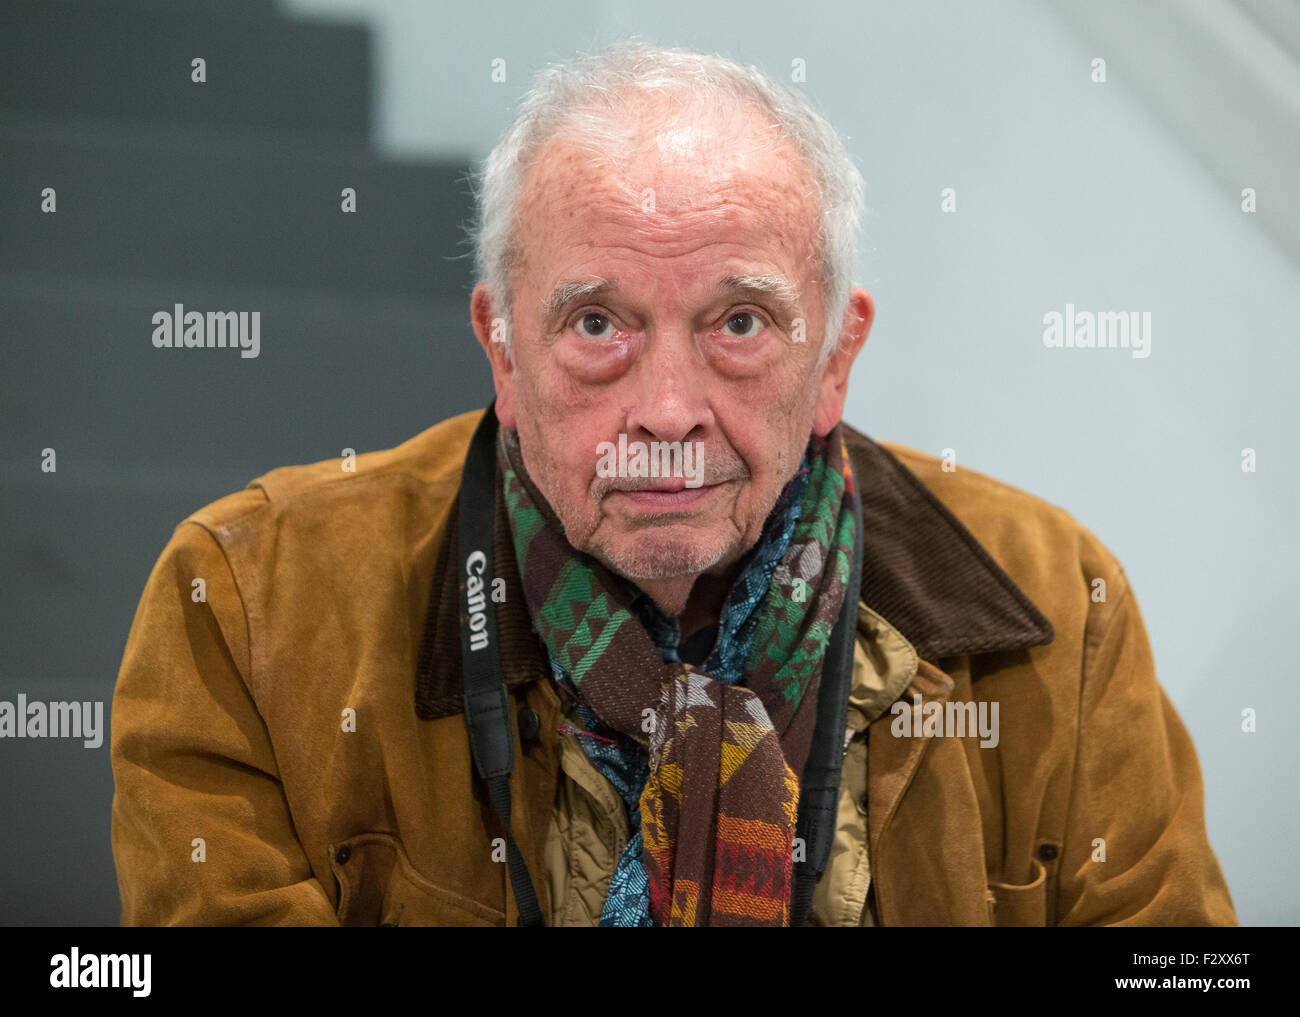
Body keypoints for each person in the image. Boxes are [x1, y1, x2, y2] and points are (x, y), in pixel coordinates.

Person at [110, 40, 1236, 926]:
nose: (665, 406)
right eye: (597, 324)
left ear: (834, 359)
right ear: (501, 350)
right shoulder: (253, 607)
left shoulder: (1055, 609)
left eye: (737, 324)